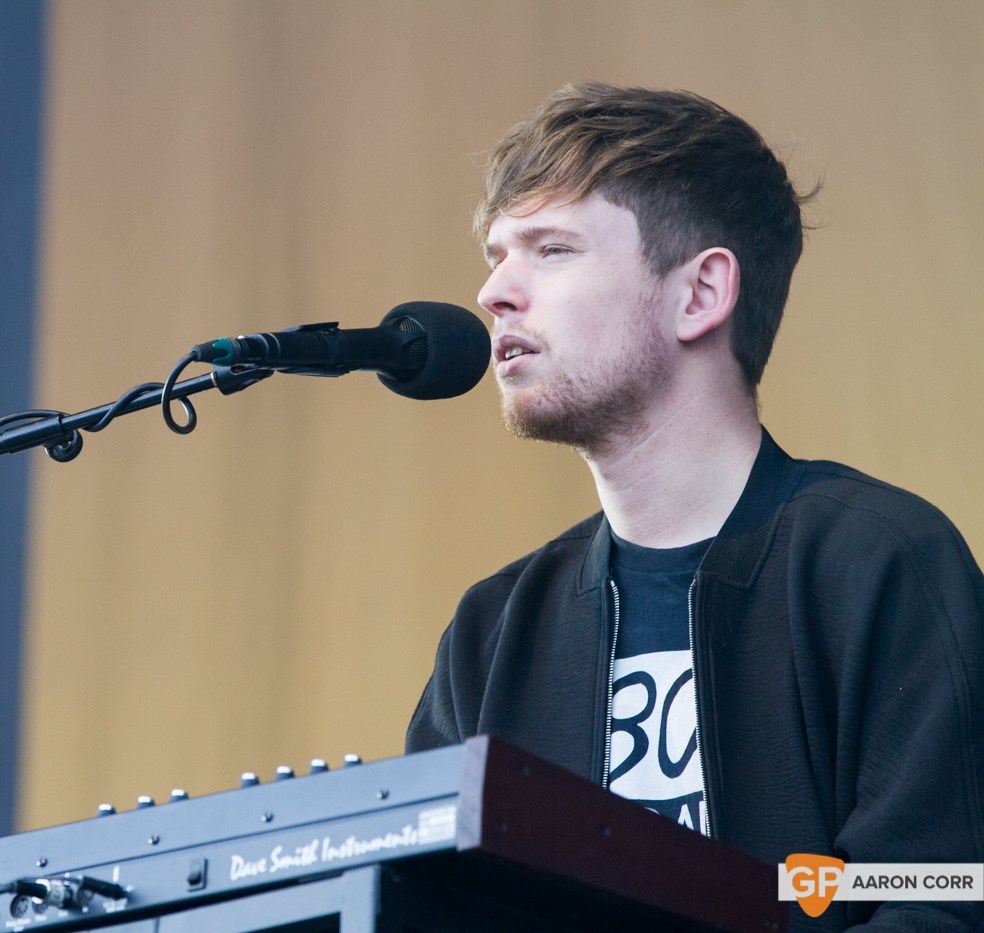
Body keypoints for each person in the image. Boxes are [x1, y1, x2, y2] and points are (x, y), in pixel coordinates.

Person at [405, 82, 984, 931]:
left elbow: (939, 898)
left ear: (700, 293)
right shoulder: (494, 634)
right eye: (496, 254)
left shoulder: (879, 561)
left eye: (551, 248)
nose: (494, 291)